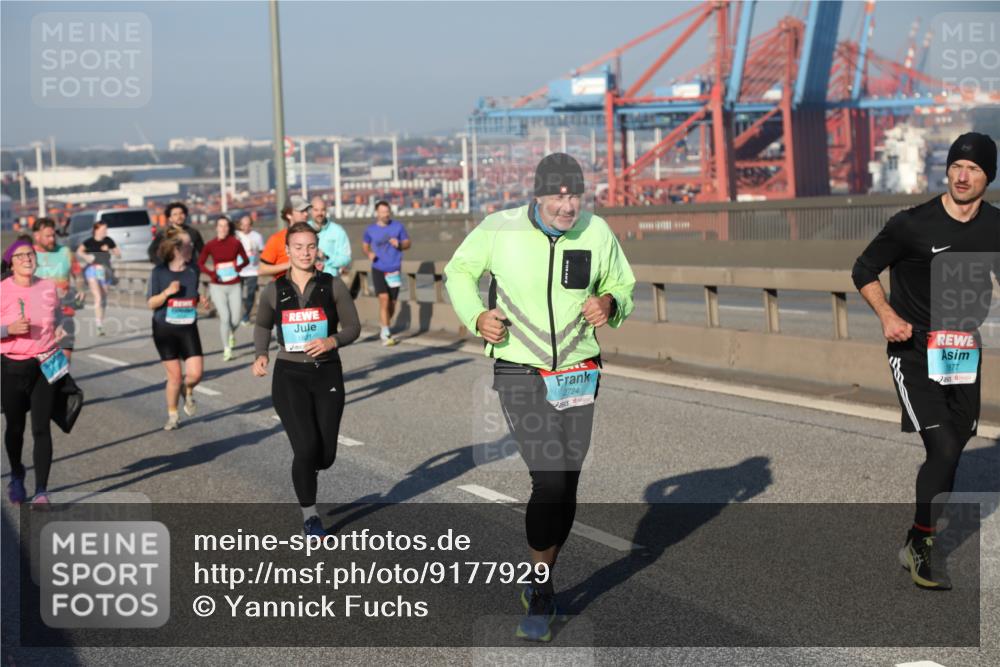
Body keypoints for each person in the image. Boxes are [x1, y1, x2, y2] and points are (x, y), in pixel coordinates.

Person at [444, 153, 635, 641]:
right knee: (549, 481)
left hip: (579, 368)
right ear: (537, 195)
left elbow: (622, 285)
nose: (568, 205)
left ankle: (541, 580)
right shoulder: (498, 228)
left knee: (567, 484)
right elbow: (459, 272)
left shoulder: (596, 232)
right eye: (558, 196)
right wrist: (476, 317)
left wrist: (609, 303)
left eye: (575, 195)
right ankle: (541, 586)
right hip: (519, 366)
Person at [852, 132, 1000, 590]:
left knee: (952, 452)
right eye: (957, 165)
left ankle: (918, 535)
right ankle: (922, 543)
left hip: (962, 351)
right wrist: (887, 315)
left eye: (974, 169)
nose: (962, 174)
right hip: (913, 352)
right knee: (945, 448)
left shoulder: (996, 226)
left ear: (988, 177)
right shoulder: (911, 224)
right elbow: (863, 270)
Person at [252, 222, 361, 536]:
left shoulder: (333, 285)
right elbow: (261, 326)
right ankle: (310, 515)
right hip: (289, 376)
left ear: (318, 250)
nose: (304, 253)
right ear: (287, 251)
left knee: (325, 456)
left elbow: (353, 327)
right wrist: (261, 353)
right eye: (298, 247)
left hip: (326, 373)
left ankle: (310, 468)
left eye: (310, 247)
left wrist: (331, 341)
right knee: (306, 448)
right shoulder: (274, 289)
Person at [1, 238, 69, 505]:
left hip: (44, 364)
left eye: (30, 254)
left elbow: (58, 317)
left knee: (41, 429)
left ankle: (42, 490)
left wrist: (60, 329)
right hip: (11, 367)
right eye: (20, 256)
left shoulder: (48, 288)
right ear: (11, 263)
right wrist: (8, 330)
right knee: (15, 428)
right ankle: (17, 474)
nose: (27, 259)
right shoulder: (2, 290)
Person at [147, 228, 208, 430]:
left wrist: (201, 300)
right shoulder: (159, 272)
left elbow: (192, 295)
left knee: (196, 374)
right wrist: (167, 292)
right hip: (164, 329)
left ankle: (187, 389)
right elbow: (151, 303)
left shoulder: (193, 270)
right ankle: (173, 415)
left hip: (188, 327)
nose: (192, 247)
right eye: (189, 244)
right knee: (174, 376)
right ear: (177, 248)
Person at [198, 215, 249, 361]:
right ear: (216, 228)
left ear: (229, 228)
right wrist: (211, 273)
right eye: (220, 226)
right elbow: (200, 263)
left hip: (234, 284)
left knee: (236, 319)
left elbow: (245, 259)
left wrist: (238, 267)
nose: (223, 228)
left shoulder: (235, 243)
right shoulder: (210, 245)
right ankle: (227, 348)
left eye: (225, 226)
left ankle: (231, 333)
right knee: (225, 318)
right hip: (217, 285)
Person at [362, 201, 410, 345]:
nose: (385, 214)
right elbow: (365, 246)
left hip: (394, 269)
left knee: (392, 303)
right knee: (384, 298)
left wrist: (400, 244)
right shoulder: (370, 230)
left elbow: (408, 243)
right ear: (377, 213)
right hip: (378, 268)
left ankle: (385, 324)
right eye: (382, 211)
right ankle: (386, 332)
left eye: (387, 211)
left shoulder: (398, 227)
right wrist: (369, 253)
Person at [33, 218, 80, 356]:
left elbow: (78, 273)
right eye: (47, 236)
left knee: (65, 359)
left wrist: (81, 289)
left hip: (65, 311)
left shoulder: (65, 252)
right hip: (38, 315)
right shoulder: (28, 255)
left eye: (53, 235)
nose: (52, 239)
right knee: (43, 362)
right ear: (37, 236)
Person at [76, 221, 121, 337]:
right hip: (92, 270)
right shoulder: (89, 242)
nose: (105, 231)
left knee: (104, 298)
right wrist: (87, 256)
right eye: (103, 229)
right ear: (96, 229)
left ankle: (100, 322)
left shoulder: (109, 241)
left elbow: (118, 254)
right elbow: (79, 251)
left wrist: (110, 250)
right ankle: (99, 326)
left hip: (105, 271)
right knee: (98, 296)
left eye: (106, 229)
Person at [259, 195, 311, 279]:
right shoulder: (276, 239)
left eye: (306, 210)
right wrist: (289, 265)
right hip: (283, 288)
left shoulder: (312, 236)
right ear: (289, 215)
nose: (306, 214)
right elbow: (262, 270)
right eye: (301, 211)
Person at [312, 197, 352, 280]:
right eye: (316, 210)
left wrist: (326, 257)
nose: (320, 213)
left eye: (322, 210)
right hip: (309, 279)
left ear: (326, 211)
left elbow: (346, 258)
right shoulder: (304, 229)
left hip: (330, 279)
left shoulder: (337, 230)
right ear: (311, 211)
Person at [236, 214, 264, 326]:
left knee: (251, 294)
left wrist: (262, 266)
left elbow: (262, 252)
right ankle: (237, 314)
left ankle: (246, 315)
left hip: (252, 269)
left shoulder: (257, 236)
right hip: (238, 269)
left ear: (251, 225)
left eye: (248, 225)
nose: (245, 227)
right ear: (240, 225)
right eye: (243, 225)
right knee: (237, 294)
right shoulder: (235, 236)